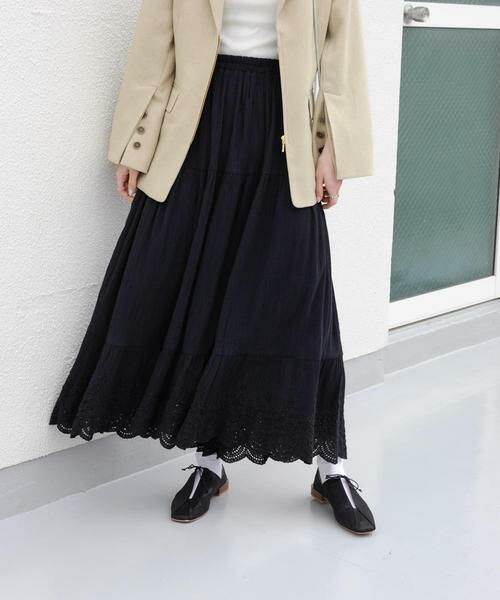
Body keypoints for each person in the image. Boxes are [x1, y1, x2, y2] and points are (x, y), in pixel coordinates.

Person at [50, 0, 376, 534]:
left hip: (285, 129)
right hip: (199, 124)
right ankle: (209, 460)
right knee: (204, 287)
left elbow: (343, 52)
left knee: (303, 301)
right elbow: (156, 45)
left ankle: (330, 468)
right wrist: (135, 141)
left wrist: (333, 149)